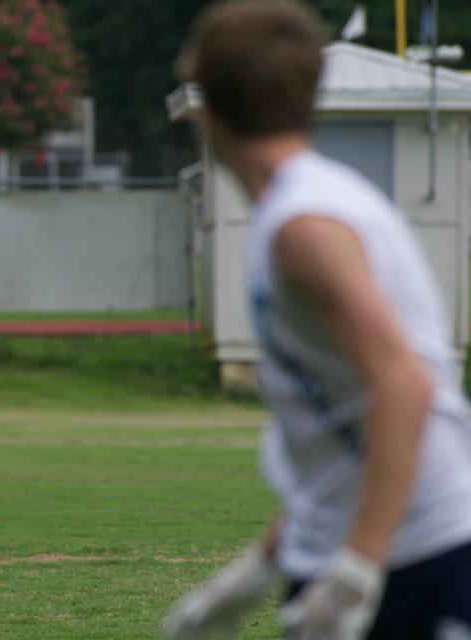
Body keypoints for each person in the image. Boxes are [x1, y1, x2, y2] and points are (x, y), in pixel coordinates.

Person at [164, 1, 471, 638]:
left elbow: (404, 386)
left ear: (207, 111)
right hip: (353, 551)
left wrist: (358, 568)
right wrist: (261, 564)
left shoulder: (305, 226)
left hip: (420, 556)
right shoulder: (310, 203)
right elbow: (342, 423)